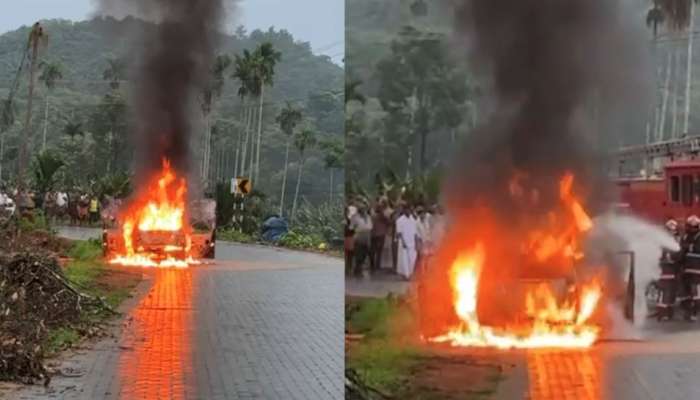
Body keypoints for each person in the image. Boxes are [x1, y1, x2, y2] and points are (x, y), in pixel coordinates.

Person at [658, 219, 681, 321]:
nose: (672, 232)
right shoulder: (662, 240)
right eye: (670, 230)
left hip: (673, 269)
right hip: (664, 269)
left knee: (671, 292)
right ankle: (663, 313)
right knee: (665, 292)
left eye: (673, 230)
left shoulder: (676, 239)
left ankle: (668, 312)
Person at [681, 215, 700, 321]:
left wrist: (687, 246)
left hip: (697, 269)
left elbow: (697, 248)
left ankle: (694, 312)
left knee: (695, 292)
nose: (687, 228)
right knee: (687, 293)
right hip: (687, 268)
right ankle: (688, 312)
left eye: (689, 226)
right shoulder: (686, 236)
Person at [350, 204, 373, 277]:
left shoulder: (368, 217)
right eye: (362, 209)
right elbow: (351, 227)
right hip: (359, 235)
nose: (364, 211)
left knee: (365, 253)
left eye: (364, 209)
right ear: (359, 210)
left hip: (367, 235)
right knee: (359, 253)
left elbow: (370, 226)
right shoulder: (355, 217)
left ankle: (360, 267)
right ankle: (357, 269)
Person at [396, 205, 418, 279]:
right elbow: (399, 233)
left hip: (412, 242)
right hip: (404, 243)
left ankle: (411, 274)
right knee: (404, 260)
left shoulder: (413, 219)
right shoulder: (400, 220)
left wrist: (416, 242)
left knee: (412, 259)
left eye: (410, 210)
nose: (409, 211)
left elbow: (415, 232)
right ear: (404, 210)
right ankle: (406, 275)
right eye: (407, 210)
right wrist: (403, 242)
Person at [370, 201, 389, 274]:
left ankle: (376, 266)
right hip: (376, 235)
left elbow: (388, 222)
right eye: (378, 207)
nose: (379, 209)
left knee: (378, 251)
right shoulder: (374, 216)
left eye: (380, 208)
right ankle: (374, 266)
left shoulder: (381, 216)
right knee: (375, 251)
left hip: (379, 235)